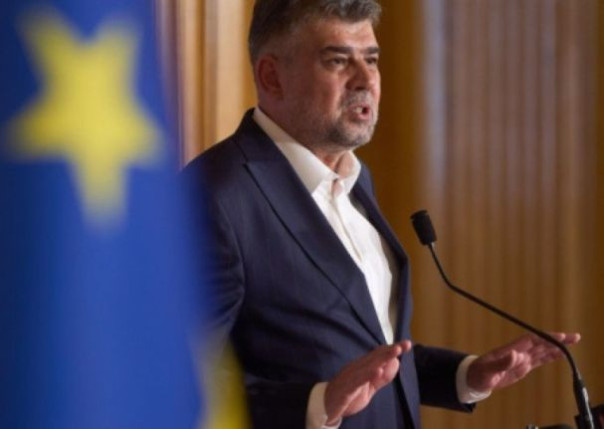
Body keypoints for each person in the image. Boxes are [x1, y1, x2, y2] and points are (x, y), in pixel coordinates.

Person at [183, 1, 580, 428]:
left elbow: (369, 352)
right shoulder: (215, 195)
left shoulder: (354, 179)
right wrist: (317, 404)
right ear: (271, 77)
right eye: (338, 61)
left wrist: (465, 376)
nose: (366, 80)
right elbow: (174, 376)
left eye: (371, 60)